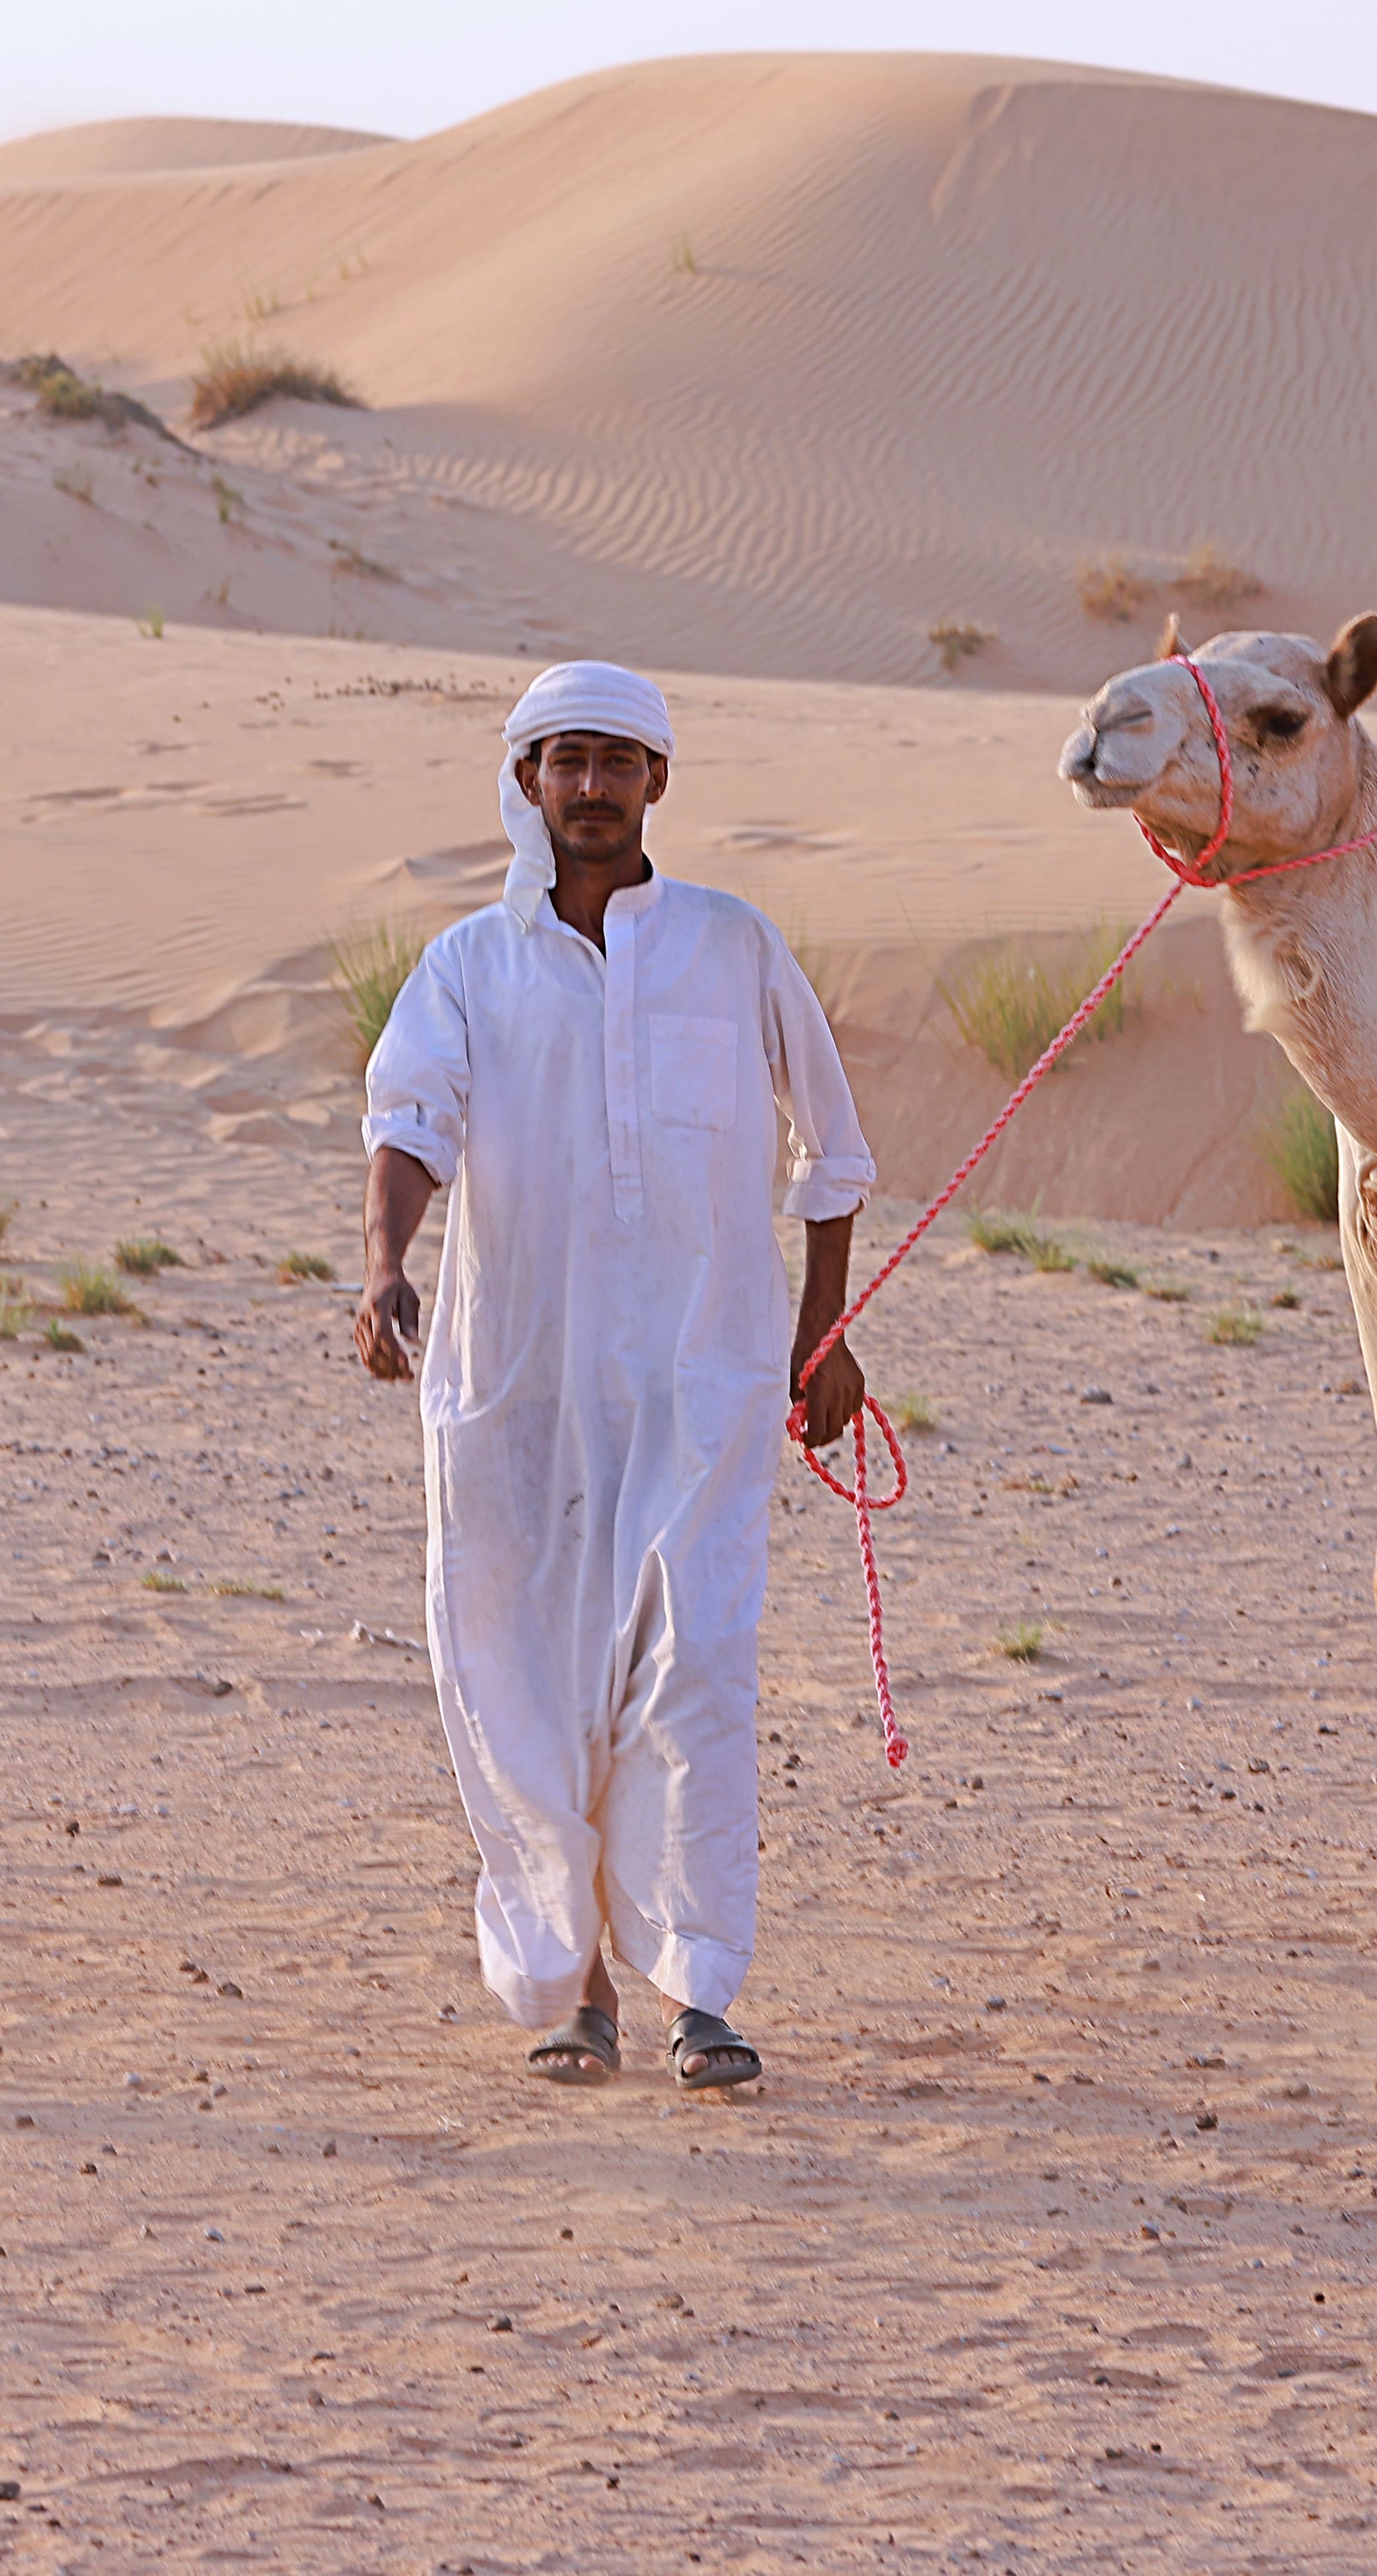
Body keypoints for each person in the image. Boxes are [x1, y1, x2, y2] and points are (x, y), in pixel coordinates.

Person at [356, 660, 874, 2092]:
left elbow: (830, 1149)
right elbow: (409, 1122)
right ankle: (576, 1986)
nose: (591, 787)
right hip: (520, 1390)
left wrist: (822, 1333)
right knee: (532, 1683)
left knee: (695, 1671)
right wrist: (384, 1264)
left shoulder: (733, 945)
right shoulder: (469, 963)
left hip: (703, 1385)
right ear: (527, 780)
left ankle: (701, 1990)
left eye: (617, 761)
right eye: (566, 760)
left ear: (657, 781)